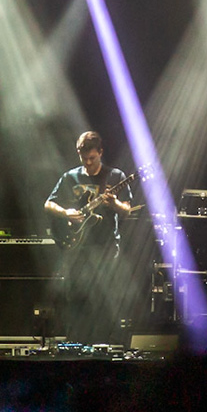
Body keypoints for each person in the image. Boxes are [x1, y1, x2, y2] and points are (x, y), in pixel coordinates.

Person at [42, 132, 135, 343]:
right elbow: (48, 204)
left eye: (92, 158)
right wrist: (66, 213)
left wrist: (114, 203)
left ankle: (105, 345)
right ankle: (76, 344)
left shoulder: (115, 176)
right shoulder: (70, 177)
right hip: (76, 247)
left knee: (105, 300)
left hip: (105, 247)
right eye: (84, 158)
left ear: (100, 152)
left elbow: (127, 210)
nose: (88, 162)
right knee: (76, 299)